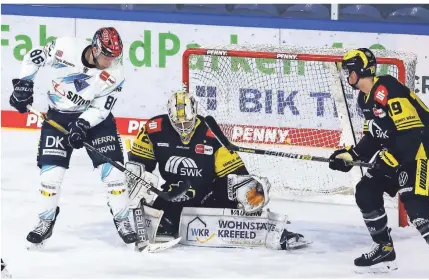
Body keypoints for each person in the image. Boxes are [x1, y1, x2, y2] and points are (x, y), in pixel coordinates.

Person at [329, 48, 429, 278]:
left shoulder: (388, 89)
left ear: (363, 70)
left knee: (416, 206)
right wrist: (351, 156)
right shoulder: (364, 98)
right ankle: (384, 248)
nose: (347, 76)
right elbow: (373, 136)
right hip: (397, 152)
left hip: (420, 153)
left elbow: (412, 135)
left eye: (350, 71)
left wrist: (389, 159)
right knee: (366, 191)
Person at [125, 91, 307, 250]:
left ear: (195, 113)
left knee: (241, 193)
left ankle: (275, 231)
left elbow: (236, 173)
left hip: (209, 194)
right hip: (174, 195)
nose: (182, 128)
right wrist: (144, 191)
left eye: (187, 123)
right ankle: (169, 223)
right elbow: (137, 166)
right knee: (155, 215)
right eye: (177, 123)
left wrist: (247, 192)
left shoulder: (210, 132)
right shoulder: (153, 129)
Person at [9, 27, 136, 247]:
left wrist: (82, 124)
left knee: (114, 175)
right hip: (58, 117)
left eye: (115, 57)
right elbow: (33, 57)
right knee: (50, 178)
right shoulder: (65, 47)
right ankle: (45, 221)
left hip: (96, 122)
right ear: (95, 49)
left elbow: (101, 109)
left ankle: (122, 219)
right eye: (107, 56)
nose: (111, 62)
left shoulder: (116, 74)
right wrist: (24, 85)